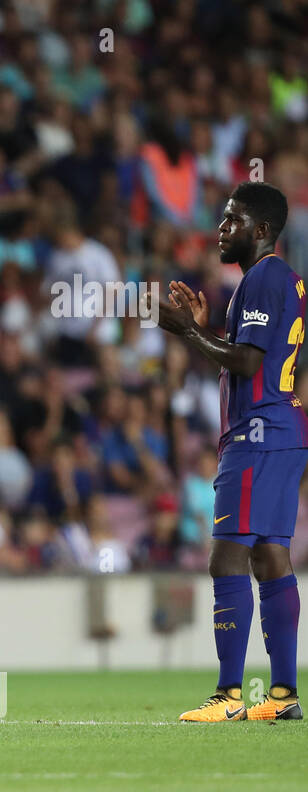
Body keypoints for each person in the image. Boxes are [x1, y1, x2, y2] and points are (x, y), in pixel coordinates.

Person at [153, 183, 307, 721]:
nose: (221, 229)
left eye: (232, 220)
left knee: (227, 557)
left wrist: (190, 334)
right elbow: (248, 358)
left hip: (258, 434)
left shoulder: (263, 279)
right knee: (270, 554)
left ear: (261, 231)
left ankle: (228, 696)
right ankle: (284, 696)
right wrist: (204, 332)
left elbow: (244, 363)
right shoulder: (272, 281)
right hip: (283, 430)